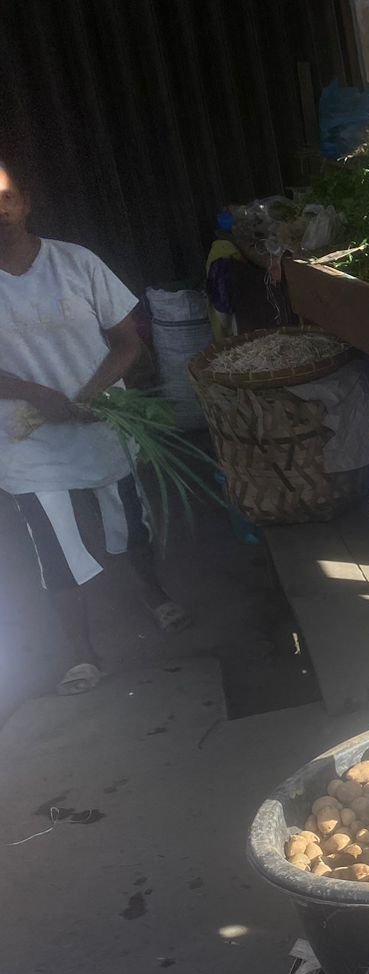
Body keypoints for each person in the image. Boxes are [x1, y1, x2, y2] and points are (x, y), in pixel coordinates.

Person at [0, 160, 189, 695]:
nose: (0, 210)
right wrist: (35, 394)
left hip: (100, 421)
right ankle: (83, 655)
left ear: (26, 201)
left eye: (7, 197)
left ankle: (155, 596)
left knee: (129, 522)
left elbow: (128, 342)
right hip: (24, 440)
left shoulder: (75, 263)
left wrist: (90, 394)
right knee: (53, 547)